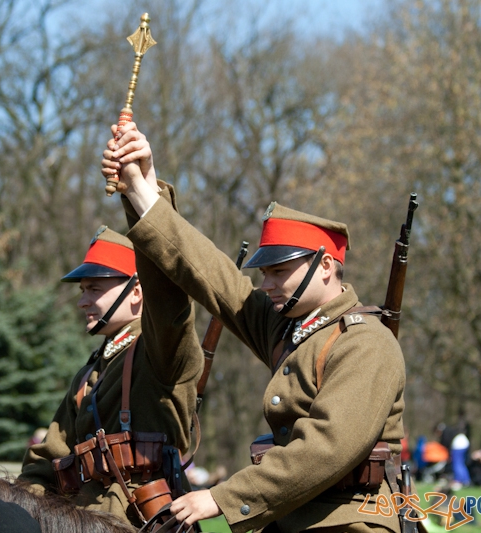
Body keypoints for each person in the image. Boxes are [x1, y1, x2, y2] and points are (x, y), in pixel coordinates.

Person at [103, 122, 407, 533]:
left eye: (279, 271)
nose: (266, 285)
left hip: (350, 521)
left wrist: (222, 497)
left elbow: (326, 449)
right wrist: (141, 188)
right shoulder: (292, 328)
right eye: (263, 273)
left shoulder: (366, 343)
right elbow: (207, 273)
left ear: (327, 266)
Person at [18, 225, 202, 528]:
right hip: (84, 518)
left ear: (137, 292)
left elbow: (170, 309)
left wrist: (145, 207)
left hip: (141, 519)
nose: (82, 302)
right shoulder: (92, 370)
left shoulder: (158, 351)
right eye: (83, 290)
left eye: (95, 289)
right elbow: (48, 459)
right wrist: (19, 504)